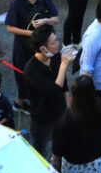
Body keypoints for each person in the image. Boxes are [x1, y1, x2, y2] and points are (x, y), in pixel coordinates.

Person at [5, 0, 58, 112]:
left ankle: (36, 102)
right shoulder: (17, 3)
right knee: (24, 76)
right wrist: (30, 33)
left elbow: (56, 18)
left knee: (43, 74)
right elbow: (10, 27)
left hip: (43, 46)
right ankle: (20, 102)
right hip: (23, 47)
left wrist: (46, 21)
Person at [24, 23, 73, 158]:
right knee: (40, 148)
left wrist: (68, 107)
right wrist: (64, 66)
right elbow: (54, 90)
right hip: (42, 117)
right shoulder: (31, 70)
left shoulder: (55, 56)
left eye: (56, 40)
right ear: (43, 48)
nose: (57, 44)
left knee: (61, 142)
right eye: (53, 43)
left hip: (60, 111)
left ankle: (57, 163)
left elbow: (64, 86)